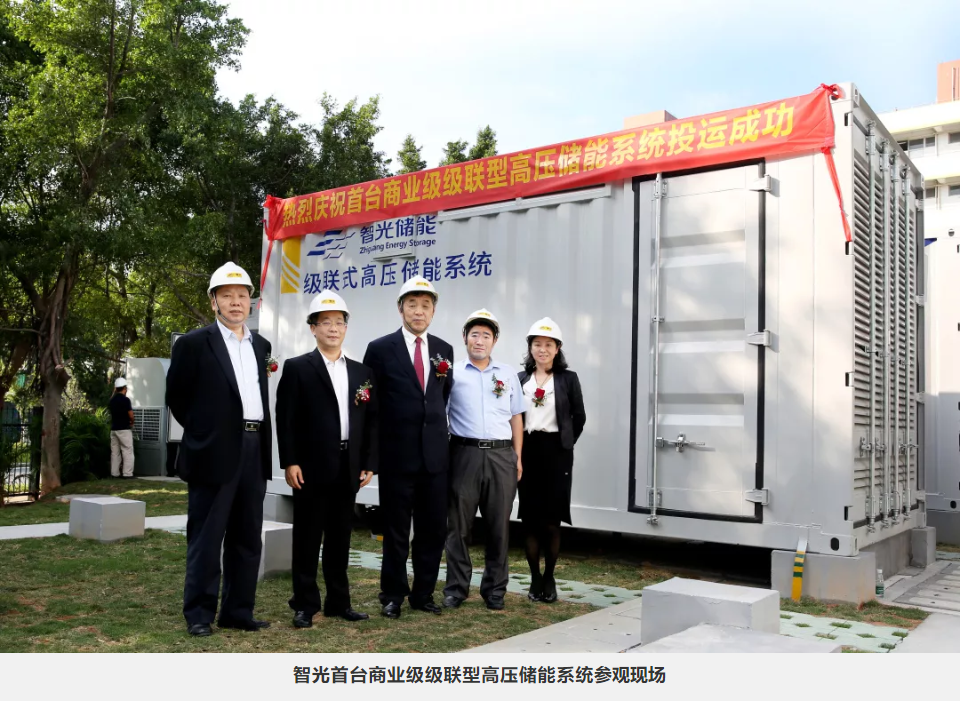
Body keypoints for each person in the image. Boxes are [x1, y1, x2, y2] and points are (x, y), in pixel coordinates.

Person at [166, 261, 273, 637]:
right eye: (227, 296)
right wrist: (205, 433)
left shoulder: (261, 345)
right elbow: (177, 398)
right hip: (213, 451)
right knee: (207, 537)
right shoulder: (194, 343)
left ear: (251, 302)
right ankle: (199, 614)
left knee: (248, 536)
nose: (236, 302)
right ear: (213, 302)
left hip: (254, 447)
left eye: (242, 295)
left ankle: (238, 611)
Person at [276, 290, 378, 628]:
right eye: (326, 322)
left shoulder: (362, 372)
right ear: (313, 328)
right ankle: (305, 603)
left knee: (340, 537)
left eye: (339, 322)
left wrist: (369, 462)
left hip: (348, 465)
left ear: (346, 328)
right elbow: (286, 419)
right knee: (307, 537)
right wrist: (290, 461)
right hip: (310, 466)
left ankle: (339, 601)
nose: (333, 328)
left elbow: (371, 421)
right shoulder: (298, 368)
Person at [362, 276, 454, 619]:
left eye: (425, 305)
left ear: (433, 311)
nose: (419, 311)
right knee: (396, 531)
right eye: (412, 304)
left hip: (435, 459)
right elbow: (371, 407)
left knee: (432, 531)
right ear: (400, 308)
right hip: (396, 457)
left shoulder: (444, 349)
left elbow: (441, 397)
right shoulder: (380, 349)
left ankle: (423, 594)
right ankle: (393, 595)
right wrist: (371, 457)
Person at [442, 310, 524, 611]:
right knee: (458, 526)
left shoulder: (508, 374)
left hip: (502, 456)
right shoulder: (452, 373)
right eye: (474, 334)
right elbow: (441, 415)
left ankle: (495, 590)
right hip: (464, 453)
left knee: (498, 526)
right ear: (465, 338)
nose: (480, 340)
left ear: (495, 341)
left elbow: (516, 417)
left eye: (486, 335)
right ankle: (456, 589)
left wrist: (517, 457)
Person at [516, 318, 586, 603]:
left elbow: (579, 417)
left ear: (557, 349)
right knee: (530, 520)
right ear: (530, 348)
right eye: (537, 344)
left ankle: (550, 577)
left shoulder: (568, 379)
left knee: (551, 521)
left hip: (557, 453)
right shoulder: (520, 379)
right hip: (527, 450)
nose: (542, 349)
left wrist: (565, 443)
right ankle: (534, 577)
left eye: (548, 344)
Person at [108, 377, 135, 478]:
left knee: (115, 452)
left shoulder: (112, 400)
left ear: (116, 388)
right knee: (127, 451)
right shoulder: (126, 400)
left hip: (114, 429)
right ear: (125, 388)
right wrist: (132, 422)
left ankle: (114, 473)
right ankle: (127, 474)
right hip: (124, 429)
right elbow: (131, 415)